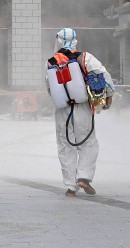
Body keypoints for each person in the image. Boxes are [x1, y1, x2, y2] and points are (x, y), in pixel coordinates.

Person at [46, 27, 113, 197]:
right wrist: (109, 96)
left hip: (62, 109)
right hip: (83, 107)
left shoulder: (51, 62)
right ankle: (83, 177)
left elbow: (49, 88)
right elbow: (103, 75)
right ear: (75, 40)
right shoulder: (85, 57)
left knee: (65, 145)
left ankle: (70, 186)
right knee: (88, 142)